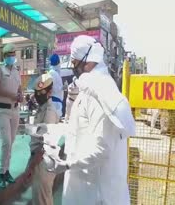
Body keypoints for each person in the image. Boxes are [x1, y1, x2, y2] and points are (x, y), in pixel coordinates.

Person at [42, 35, 136, 205]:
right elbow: (78, 128)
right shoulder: (89, 89)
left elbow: (101, 150)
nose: (72, 67)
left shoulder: (101, 94)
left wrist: (65, 164)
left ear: (89, 62)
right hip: (84, 189)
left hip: (96, 194)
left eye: (74, 62)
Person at [0, 43, 23, 189]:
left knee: (12, 142)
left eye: (13, 54)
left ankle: (6, 171)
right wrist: (13, 96)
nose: (12, 57)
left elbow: (19, 87)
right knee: (6, 142)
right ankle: (0, 173)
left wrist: (20, 95)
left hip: (15, 110)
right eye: (9, 54)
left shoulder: (16, 70)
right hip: (3, 110)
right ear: (4, 56)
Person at [26, 73, 59, 205]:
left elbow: (45, 145)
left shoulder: (49, 112)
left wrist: (32, 166)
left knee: (42, 201)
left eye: (41, 93)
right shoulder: (42, 109)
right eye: (37, 93)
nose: (38, 96)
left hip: (44, 162)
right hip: (38, 160)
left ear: (49, 92)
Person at [48, 54, 68, 120]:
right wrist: (62, 88)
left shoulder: (55, 73)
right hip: (55, 100)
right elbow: (53, 87)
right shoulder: (52, 73)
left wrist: (63, 87)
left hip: (57, 100)